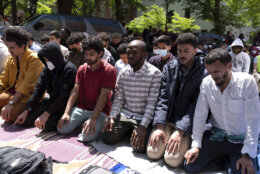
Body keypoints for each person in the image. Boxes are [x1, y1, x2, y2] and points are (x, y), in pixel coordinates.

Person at [184, 48, 259, 173]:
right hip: (218, 138)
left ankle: (228, 160)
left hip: (241, 141)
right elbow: (200, 114)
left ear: (229, 66)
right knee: (190, 164)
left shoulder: (246, 82)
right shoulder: (207, 83)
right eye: (210, 72)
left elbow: (254, 120)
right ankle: (225, 159)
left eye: (217, 71)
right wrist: (196, 145)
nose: (213, 76)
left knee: (246, 171)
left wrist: (246, 155)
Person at [146, 33, 207, 167]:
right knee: (152, 153)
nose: (182, 54)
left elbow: (197, 105)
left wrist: (180, 131)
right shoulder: (169, 67)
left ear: (195, 51)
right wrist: (159, 126)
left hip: (187, 124)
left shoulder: (204, 72)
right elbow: (163, 98)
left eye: (186, 51)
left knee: (172, 160)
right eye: (179, 50)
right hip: (168, 119)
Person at [101, 40, 161, 153]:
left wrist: (142, 126)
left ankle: (134, 131)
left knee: (139, 148)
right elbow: (118, 98)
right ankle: (128, 131)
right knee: (106, 137)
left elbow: (152, 104)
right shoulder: (124, 72)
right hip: (126, 114)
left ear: (144, 54)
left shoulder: (155, 73)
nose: (130, 56)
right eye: (128, 53)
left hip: (142, 118)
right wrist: (112, 117)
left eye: (134, 53)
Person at [57, 36, 117, 143]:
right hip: (82, 108)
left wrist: (93, 118)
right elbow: (75, 91)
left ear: (100, 53)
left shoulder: (110, 70)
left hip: (100, 111)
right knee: (61, 129)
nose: (88, 57)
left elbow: (103, 96)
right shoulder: (82, 68)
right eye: (86, 54)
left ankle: (92, 123)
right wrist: (66, 112)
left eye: (92, 54)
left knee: (87, 137)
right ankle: (83, 123)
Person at [14, 42, 77, 131]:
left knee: (47, 125)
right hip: (51, 101)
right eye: (45, 60)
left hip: (64, 104)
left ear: (55, 57)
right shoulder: (47, 69)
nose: (47, 62)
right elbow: (39, 89)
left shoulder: (69, 69)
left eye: (48, 60)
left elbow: (63, 95)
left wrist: (46, 114)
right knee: (25, 120)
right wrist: (26, 110)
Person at [0, 27, 43, 123]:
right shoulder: (12, 58)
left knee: (8, 117)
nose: (9, 50)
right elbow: (4, 79)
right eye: (7, 47)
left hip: (26, 97)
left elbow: (26, 86)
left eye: (12, 47)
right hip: (11, 93)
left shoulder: (34, 59)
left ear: (22, 46)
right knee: (5, 112)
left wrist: (11, 103)